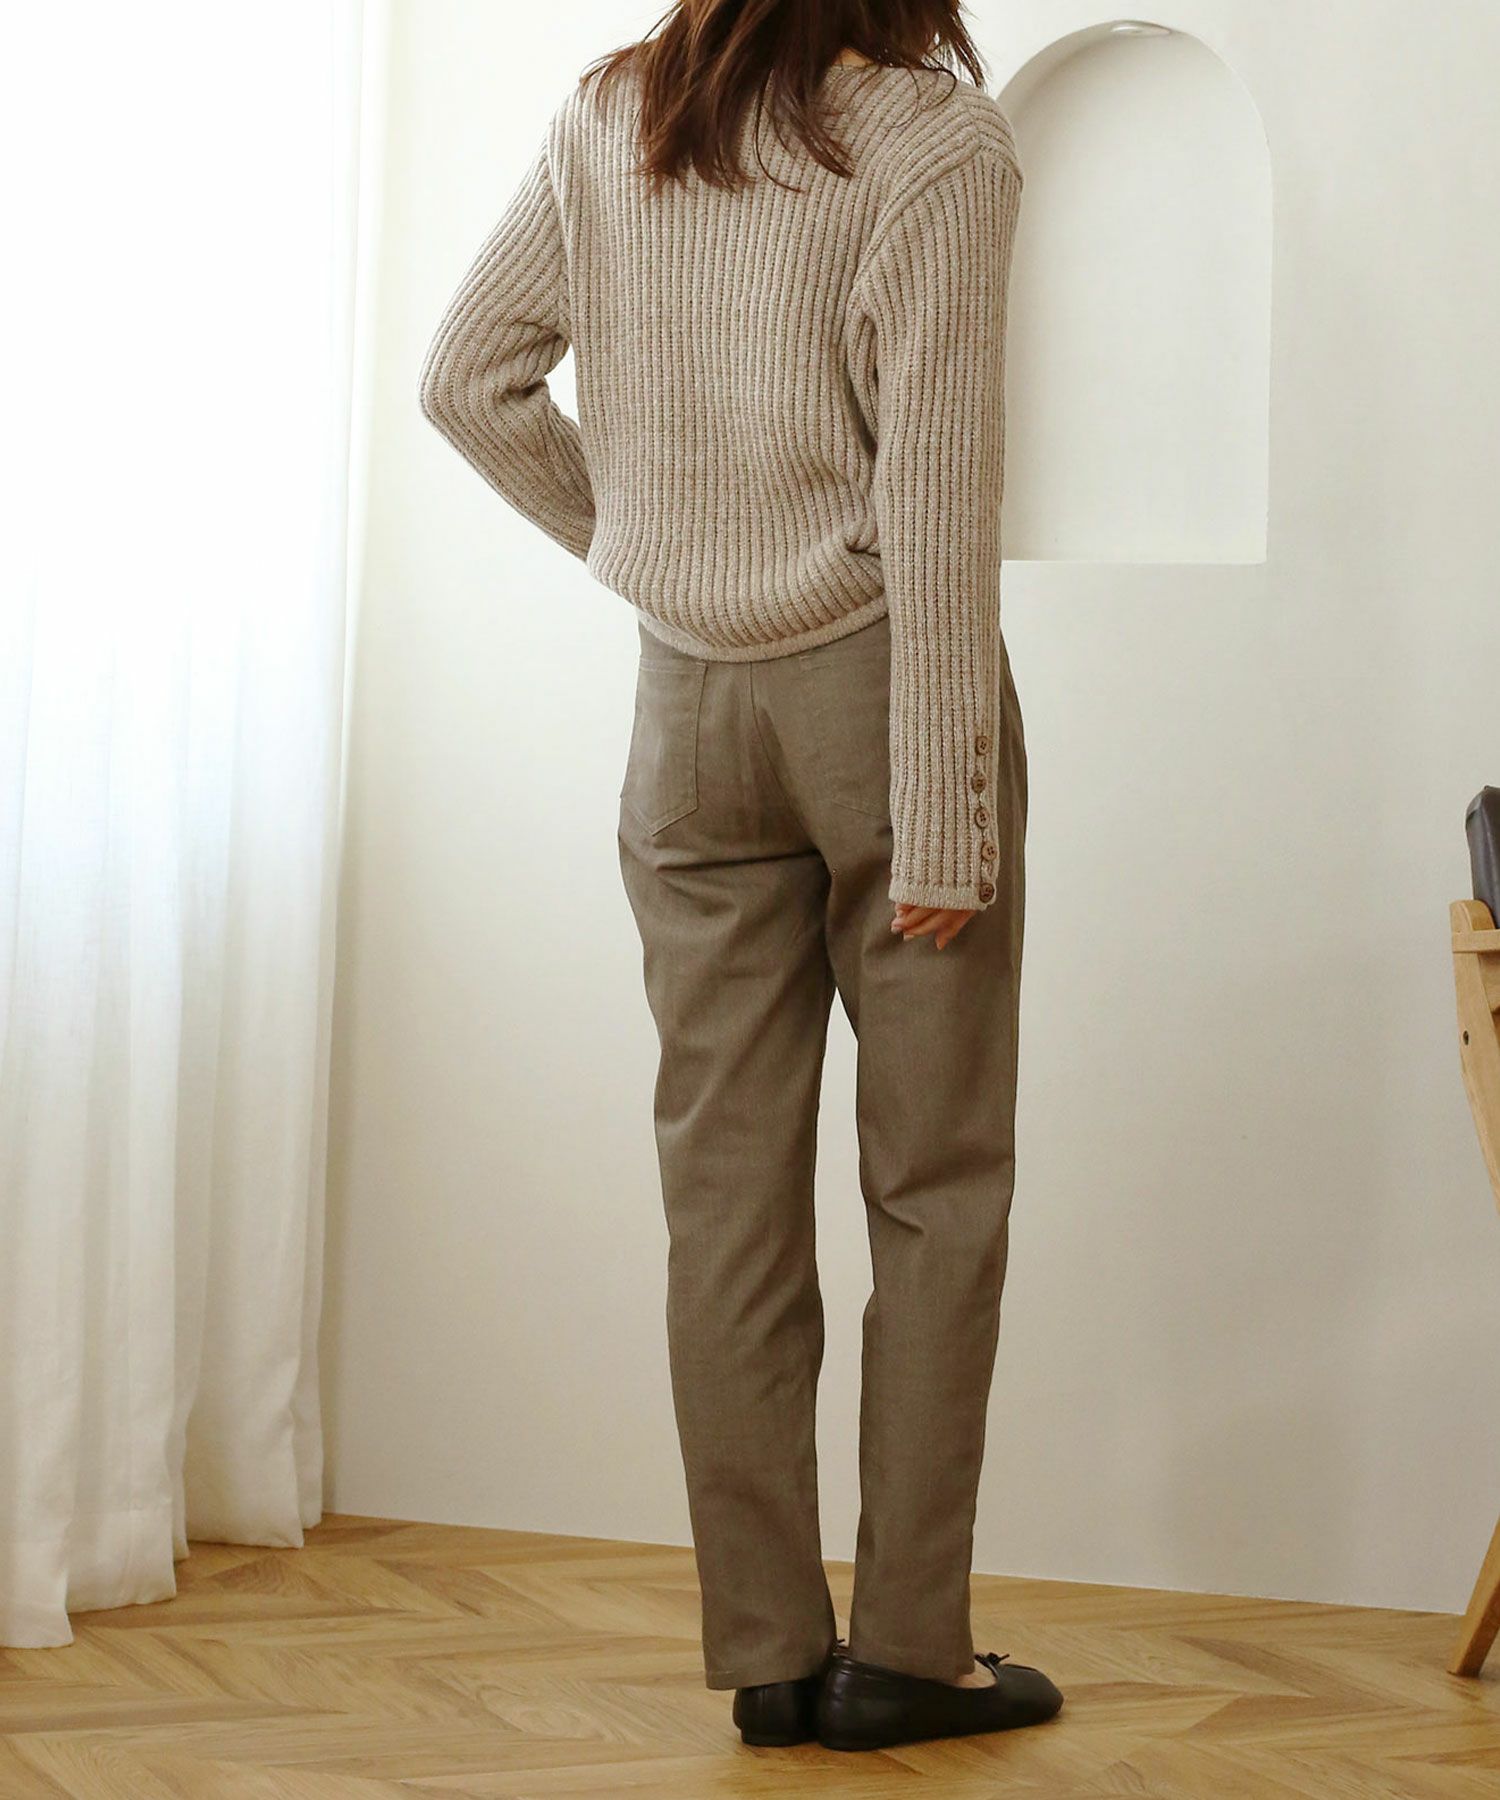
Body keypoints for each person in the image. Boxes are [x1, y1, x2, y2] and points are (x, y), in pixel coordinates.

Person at [418, 0, 1062, 1755]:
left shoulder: (613, 115)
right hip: (881, 697)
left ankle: (770, 1654)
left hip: (682, 715)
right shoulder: (931, 141)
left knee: (723, 1198)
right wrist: (948, 814)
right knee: (936, 1189)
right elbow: (938, 487)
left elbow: (464, 379)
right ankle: (908, 1655)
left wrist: (642, 544)